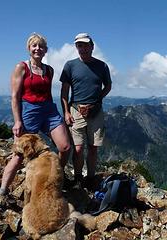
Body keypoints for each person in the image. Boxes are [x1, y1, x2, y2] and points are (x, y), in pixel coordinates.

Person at [0, 33, 71, 196]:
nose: (38, 48)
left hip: (48, 110)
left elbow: (48, 93)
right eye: (34, 45)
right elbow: (15, 96)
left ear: (46, 50)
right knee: (18, 156)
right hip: (29, 110)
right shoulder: (21, 67)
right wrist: (17, 121)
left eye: (41, 46)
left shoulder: (49, 70)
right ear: (29, 48)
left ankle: (55, 176)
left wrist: (55, 112)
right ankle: (2, 192)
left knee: (65, 147)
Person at [60, 33, 112, 187]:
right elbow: (64, 92)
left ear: (92, 46)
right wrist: (66, 112)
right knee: (77, 148)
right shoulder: (70, 65)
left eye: (85, 45)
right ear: (76, 47)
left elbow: (108, 86)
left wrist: (97, 100)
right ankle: (77, 178)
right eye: (79, 45)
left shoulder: (102, 66)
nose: (82, 48)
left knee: (93, 147)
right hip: (76, 110)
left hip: (95, 111)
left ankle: (89, 177)